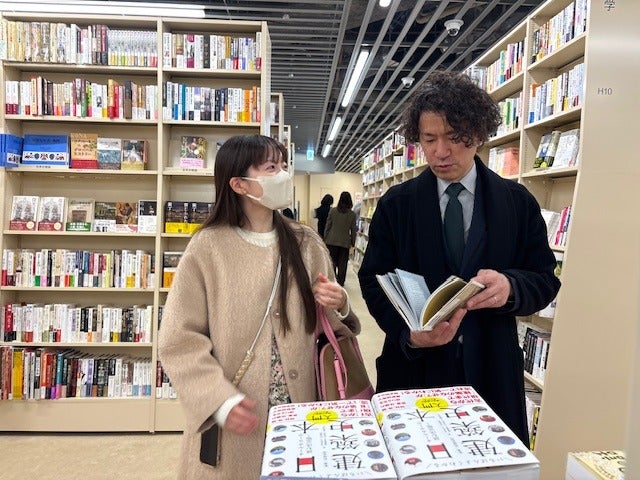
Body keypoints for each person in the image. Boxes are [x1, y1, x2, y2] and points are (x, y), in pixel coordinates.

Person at [358, 71, 560, 445]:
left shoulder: (517, 203)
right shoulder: (396, 205)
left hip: (491, 369)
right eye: (429, 139)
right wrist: (408, 335)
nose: (440, 151)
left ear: (478, 135)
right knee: (416, 458)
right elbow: (373, 280)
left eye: (454, 137)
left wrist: (510, 287)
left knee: (491, 462)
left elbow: (545, 278)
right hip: (414, 370)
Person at [158, 134, 360, 479]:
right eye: (270, 168)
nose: (283, 175)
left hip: (300, 407)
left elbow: (330, 327)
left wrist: (340, 303)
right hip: (238, 409)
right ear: (239, 184)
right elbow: (179, 339)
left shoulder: (306, 243)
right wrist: (218, 399)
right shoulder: (207, 248)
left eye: (283, 165)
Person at [324, 191, 357, 286]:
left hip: (331, 241)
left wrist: (325, 238)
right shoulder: (352, 215)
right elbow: (353, 230)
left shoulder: (333, 211)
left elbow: (328, 226)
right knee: (343, 264)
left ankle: (333, 280)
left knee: (332, 262)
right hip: (344, 243)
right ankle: (341, 282)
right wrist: (353, 242)